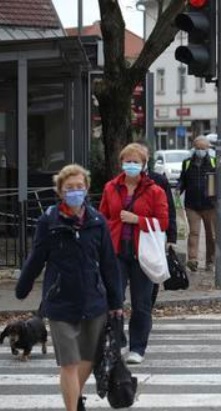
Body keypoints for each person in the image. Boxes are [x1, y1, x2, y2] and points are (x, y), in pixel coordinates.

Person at [16, 164, 123, 411]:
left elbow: (109, 263)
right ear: (60, 191)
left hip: (93, 301)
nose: (75, 191)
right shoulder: (48, 221)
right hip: (60, 302)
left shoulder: (97, 222)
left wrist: (116, 302)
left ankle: (74, 397)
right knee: (69, 363)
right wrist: (23, 287)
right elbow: (36, 257)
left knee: (86, 359)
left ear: (86, 189)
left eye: (79, 187)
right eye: (69, 188)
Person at [99, 143, 169, 365]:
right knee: (114, 299)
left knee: (141, 304)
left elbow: (164, 222)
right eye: (127, 161)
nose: (131, 165)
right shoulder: (111, 187)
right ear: (121, 163)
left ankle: (137, 347)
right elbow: (102, 217)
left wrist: (138, 220)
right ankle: (117, 341)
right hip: (116, 252)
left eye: (135, 162)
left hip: (143, 255)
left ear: (143, 164)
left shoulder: (154, 190)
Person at [135, 141, 177, 306]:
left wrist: (171, 237)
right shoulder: (118, 183)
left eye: (141, 155)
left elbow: (170, 210)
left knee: (151, 273)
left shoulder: (158, 180)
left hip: (152, 235)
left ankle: (147, 306)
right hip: (128, 238)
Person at [177, 135, 217, 272]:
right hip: (192, 204)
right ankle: (192, 260)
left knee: (211, 234)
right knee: (193, 232)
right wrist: (178, 190)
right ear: (194, 148)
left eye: (203, 148)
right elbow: (183, 180)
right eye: (197, 148)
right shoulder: (187, 162)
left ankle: (210, 261)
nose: (200, 151)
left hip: (210, 205)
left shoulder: (214, 162)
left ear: (208, 149)